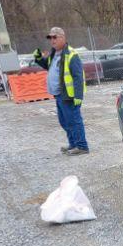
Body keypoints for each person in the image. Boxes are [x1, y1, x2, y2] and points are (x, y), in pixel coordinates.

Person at [33, 27, 89, 155]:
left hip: (69, 96)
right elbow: (48, 66)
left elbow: (78, 76)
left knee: (74, 121)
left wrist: (78, 95)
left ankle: (82, 146)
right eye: (50, 38)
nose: (52, 40)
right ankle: (73, 144)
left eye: (55, 37)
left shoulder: (70, 54)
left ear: (62, 38)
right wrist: (38, 59)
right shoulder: (54, 53)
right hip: (59, 95)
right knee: (64, 121)